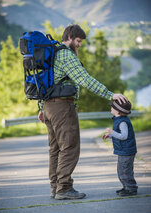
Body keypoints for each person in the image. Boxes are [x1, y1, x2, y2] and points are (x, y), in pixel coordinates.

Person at [38, 24, 127, 200]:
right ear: (70, 37)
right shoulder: (65, 54)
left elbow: (46, 82)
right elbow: (84, 79)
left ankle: (55, 187)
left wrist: (42, 107)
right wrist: (110, 94)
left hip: (49, 106)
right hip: (62, 107)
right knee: (69, 147)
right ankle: (63, 188)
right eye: (78, 41)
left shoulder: (53, 53)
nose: (79, 45)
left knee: (55, 148)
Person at [102, 100, 138, 196]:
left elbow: (124, 136)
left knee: (125, 170)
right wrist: (109, 136)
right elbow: (119, 134)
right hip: (123, 150)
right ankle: (126, 187)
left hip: (127, 151)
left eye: (113, 107)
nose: (111, 108)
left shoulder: (122, 122)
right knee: (121, 170)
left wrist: (111, 132)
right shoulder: (118, 119)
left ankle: (131, 189)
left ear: (118, 111)